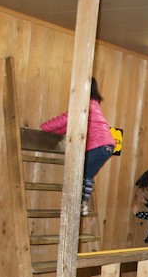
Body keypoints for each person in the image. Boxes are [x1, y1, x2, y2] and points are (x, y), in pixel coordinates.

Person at [41, 77, 116, 216]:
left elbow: (65, 119)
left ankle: (79, 203)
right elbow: (71, 124)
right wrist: (57, 132)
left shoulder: (84, 106)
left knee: (79, 174)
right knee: (87, 175)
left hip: (98, 145)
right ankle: (83, 204)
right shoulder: (94, 106)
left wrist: (45, 127)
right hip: (107, 147)